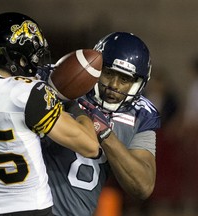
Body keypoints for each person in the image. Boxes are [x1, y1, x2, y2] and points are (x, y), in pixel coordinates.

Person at [0, 12, 102, 216]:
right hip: (29, 208)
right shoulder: (25, 94)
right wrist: (79, 108)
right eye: (31, 55)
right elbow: (90, 147)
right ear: (14, 55)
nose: (33, 62)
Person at [41, 32, 161, 216]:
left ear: (138, 83)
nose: (114, 84)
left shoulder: (141, 114)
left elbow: (143, 186)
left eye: (124, 79)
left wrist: (105, 133)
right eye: (109, 73)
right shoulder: (62, 81)